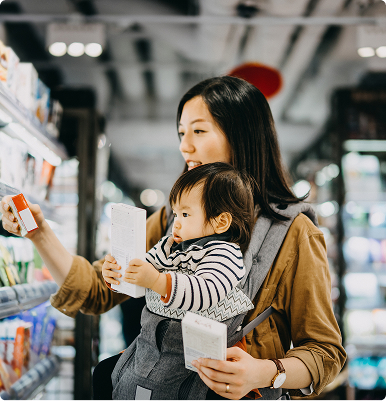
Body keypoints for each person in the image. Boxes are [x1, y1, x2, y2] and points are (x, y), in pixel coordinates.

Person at [0, 76, 346, 400]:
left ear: (242, 136)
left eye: (198, 130)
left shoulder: (296, 234)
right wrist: (38, 232)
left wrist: (267, 372)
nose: (185, 146)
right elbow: (94, 290)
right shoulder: (174, 218)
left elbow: (325, 352)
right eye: (181, 132)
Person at [103, 162, 255, 321]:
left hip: (199, 340)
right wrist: (118, 272)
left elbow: (205, 292)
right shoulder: (168, 246)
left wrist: (157, 281)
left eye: (185, 214)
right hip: (154, 335)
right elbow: (141, 271)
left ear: (221, 222)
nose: (176, 222)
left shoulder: (225, 254)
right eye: (175, 214)